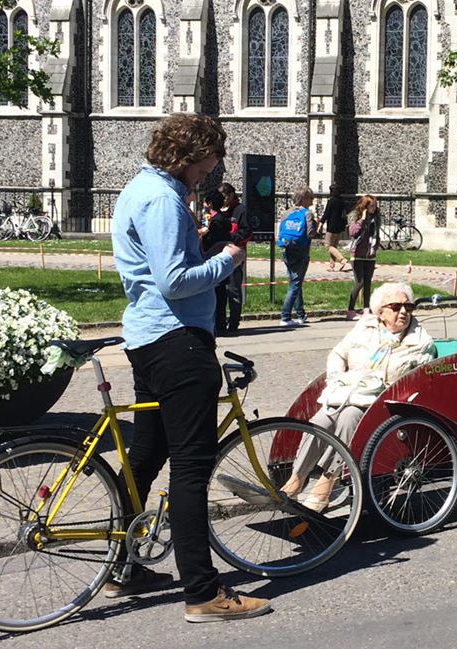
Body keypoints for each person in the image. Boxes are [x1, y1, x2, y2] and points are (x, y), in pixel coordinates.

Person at [110, 113, 270, 621]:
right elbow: (175, 281)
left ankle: (125, 566)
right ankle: (202, 593)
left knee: (146, 457)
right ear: (189, 153)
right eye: (210, 159)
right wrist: (227, 258)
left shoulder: (141, 188)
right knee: (191, 467)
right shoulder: (161, 199)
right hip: (177, 342)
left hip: (150, 337)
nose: (211, 169)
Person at [279, 282, 434, 508]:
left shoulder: (421, 341)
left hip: (382, 403)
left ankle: (326, 483)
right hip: (347, 392)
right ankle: (296, 479)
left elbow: (415, 383)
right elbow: (338, 354)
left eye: (408, 307)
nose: (403, 312)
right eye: (396, 306)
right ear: (380, 311)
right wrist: (335, 378)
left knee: (349, 418)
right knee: (319, 421)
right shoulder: (364, 327)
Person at [216, 182, 253, 334]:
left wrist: (231, 237)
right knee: (220, 291)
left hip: (235, 254)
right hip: (220, 254)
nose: (222, 200)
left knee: (233, 290)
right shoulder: (220, 211)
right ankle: (220, 323)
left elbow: (247, 231)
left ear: (231, 195)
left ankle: (233, 323)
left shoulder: (240, 210)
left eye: (224, 197)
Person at [277, 186, 317, 326]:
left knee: (295, 281)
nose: (312, 200)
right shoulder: (307, 213)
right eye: (311, 197)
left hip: (286, 249)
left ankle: (300, 314)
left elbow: (280, 231)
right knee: (295, 283)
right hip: (301, 250)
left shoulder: (286, 213)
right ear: (305, 198)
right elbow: (310, 233)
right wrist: (316, 226)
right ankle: (285, 316)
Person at [200, 190, 233, 334]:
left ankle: (218, 324)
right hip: (220, 258)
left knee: (218, 295)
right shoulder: (220, 219)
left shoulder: (217, 221)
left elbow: (211, 241)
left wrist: (204, 233)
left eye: (206, 202)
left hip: (215, 258)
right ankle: (219, 323)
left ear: (211, 203)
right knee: (220, 294)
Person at [346, 195, 381, 320]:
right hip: (357, 254)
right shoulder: (355, 215)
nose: (374, 208)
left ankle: (366, 308)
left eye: (375, 205)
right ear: (365, 206)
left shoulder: (376, 217)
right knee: (359, 282)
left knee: (368, 282)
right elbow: (353, 232)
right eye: (371, 205)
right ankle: (350, 310)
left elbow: (377, 232)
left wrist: (376, 245)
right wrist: (363, 219)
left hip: (370, 254)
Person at [321, 183, 349, 271]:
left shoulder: (331, 201)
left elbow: (326, 213)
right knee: (334, 247)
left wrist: (321, 223)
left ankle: (342, 259)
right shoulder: (342, 201)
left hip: (331, 226)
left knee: (328, 246)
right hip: (339, 227)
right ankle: (331, 266)